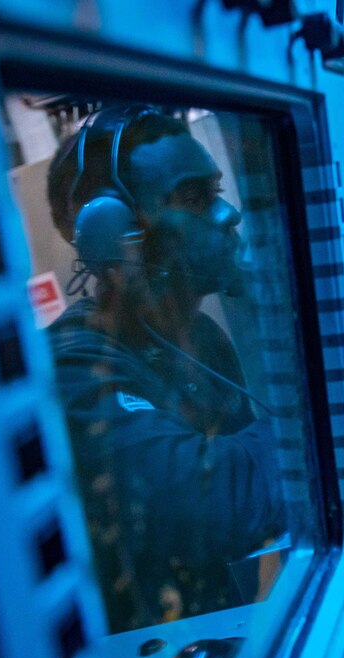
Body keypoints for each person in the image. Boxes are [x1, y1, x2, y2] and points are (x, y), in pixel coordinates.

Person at [45, 105, 283, 630]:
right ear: (118, 236)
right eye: (196, 199)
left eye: (217, 193)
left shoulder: (203, 340)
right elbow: (216, 502)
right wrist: (316, 421)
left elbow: (261, 483)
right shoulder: (70, 367)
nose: (229, 216)